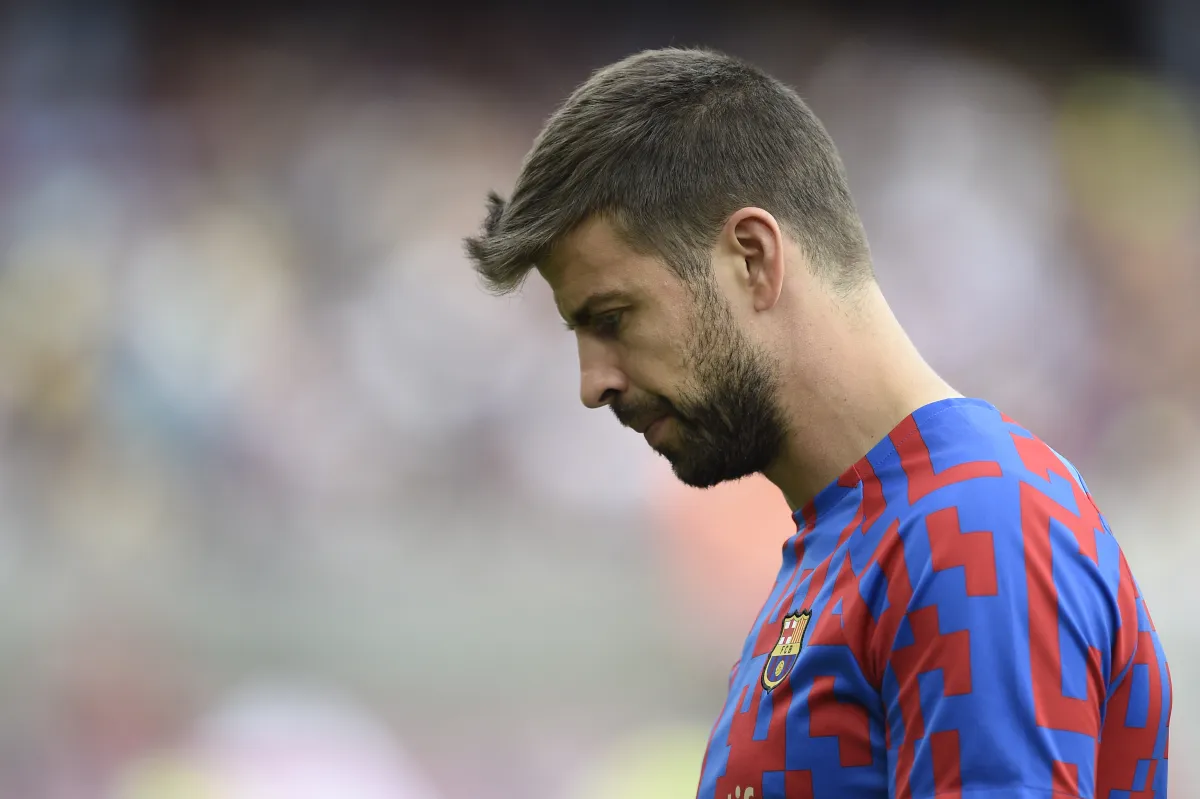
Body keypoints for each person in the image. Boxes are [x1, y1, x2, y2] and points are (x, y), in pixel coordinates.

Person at [463, 48, 1171, 799]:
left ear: (753, 257)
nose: (592, 382)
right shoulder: (857, 535)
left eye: (612, 318)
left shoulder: (974, 523)